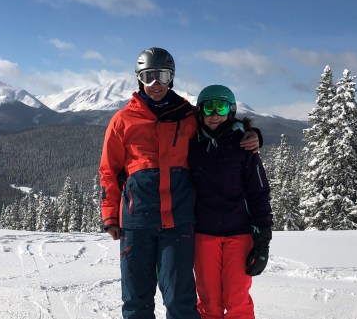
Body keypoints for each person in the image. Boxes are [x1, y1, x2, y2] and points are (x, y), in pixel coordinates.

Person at [99, 48, 260, 319]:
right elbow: (109, 171)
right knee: (136, 298)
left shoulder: (188, 115)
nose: (156, 84)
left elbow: (220, 127)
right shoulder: (123, 120)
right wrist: (110, 215)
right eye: (149, 77)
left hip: (179, 221)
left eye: (161, 76)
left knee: (180, 299)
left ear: (171, 78)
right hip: (137, 221)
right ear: (139, 78)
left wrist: (250, 133)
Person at [189, 85, 273, 319]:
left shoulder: (244, 146)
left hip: (240, 234)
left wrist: (262, 240)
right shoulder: (191, 145)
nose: (214, 114)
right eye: (208, 108)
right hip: (204, 235)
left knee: (237, 301)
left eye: (221, 107)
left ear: (231, 111)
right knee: (209, 303)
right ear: (200, 111)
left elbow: (260, 193)